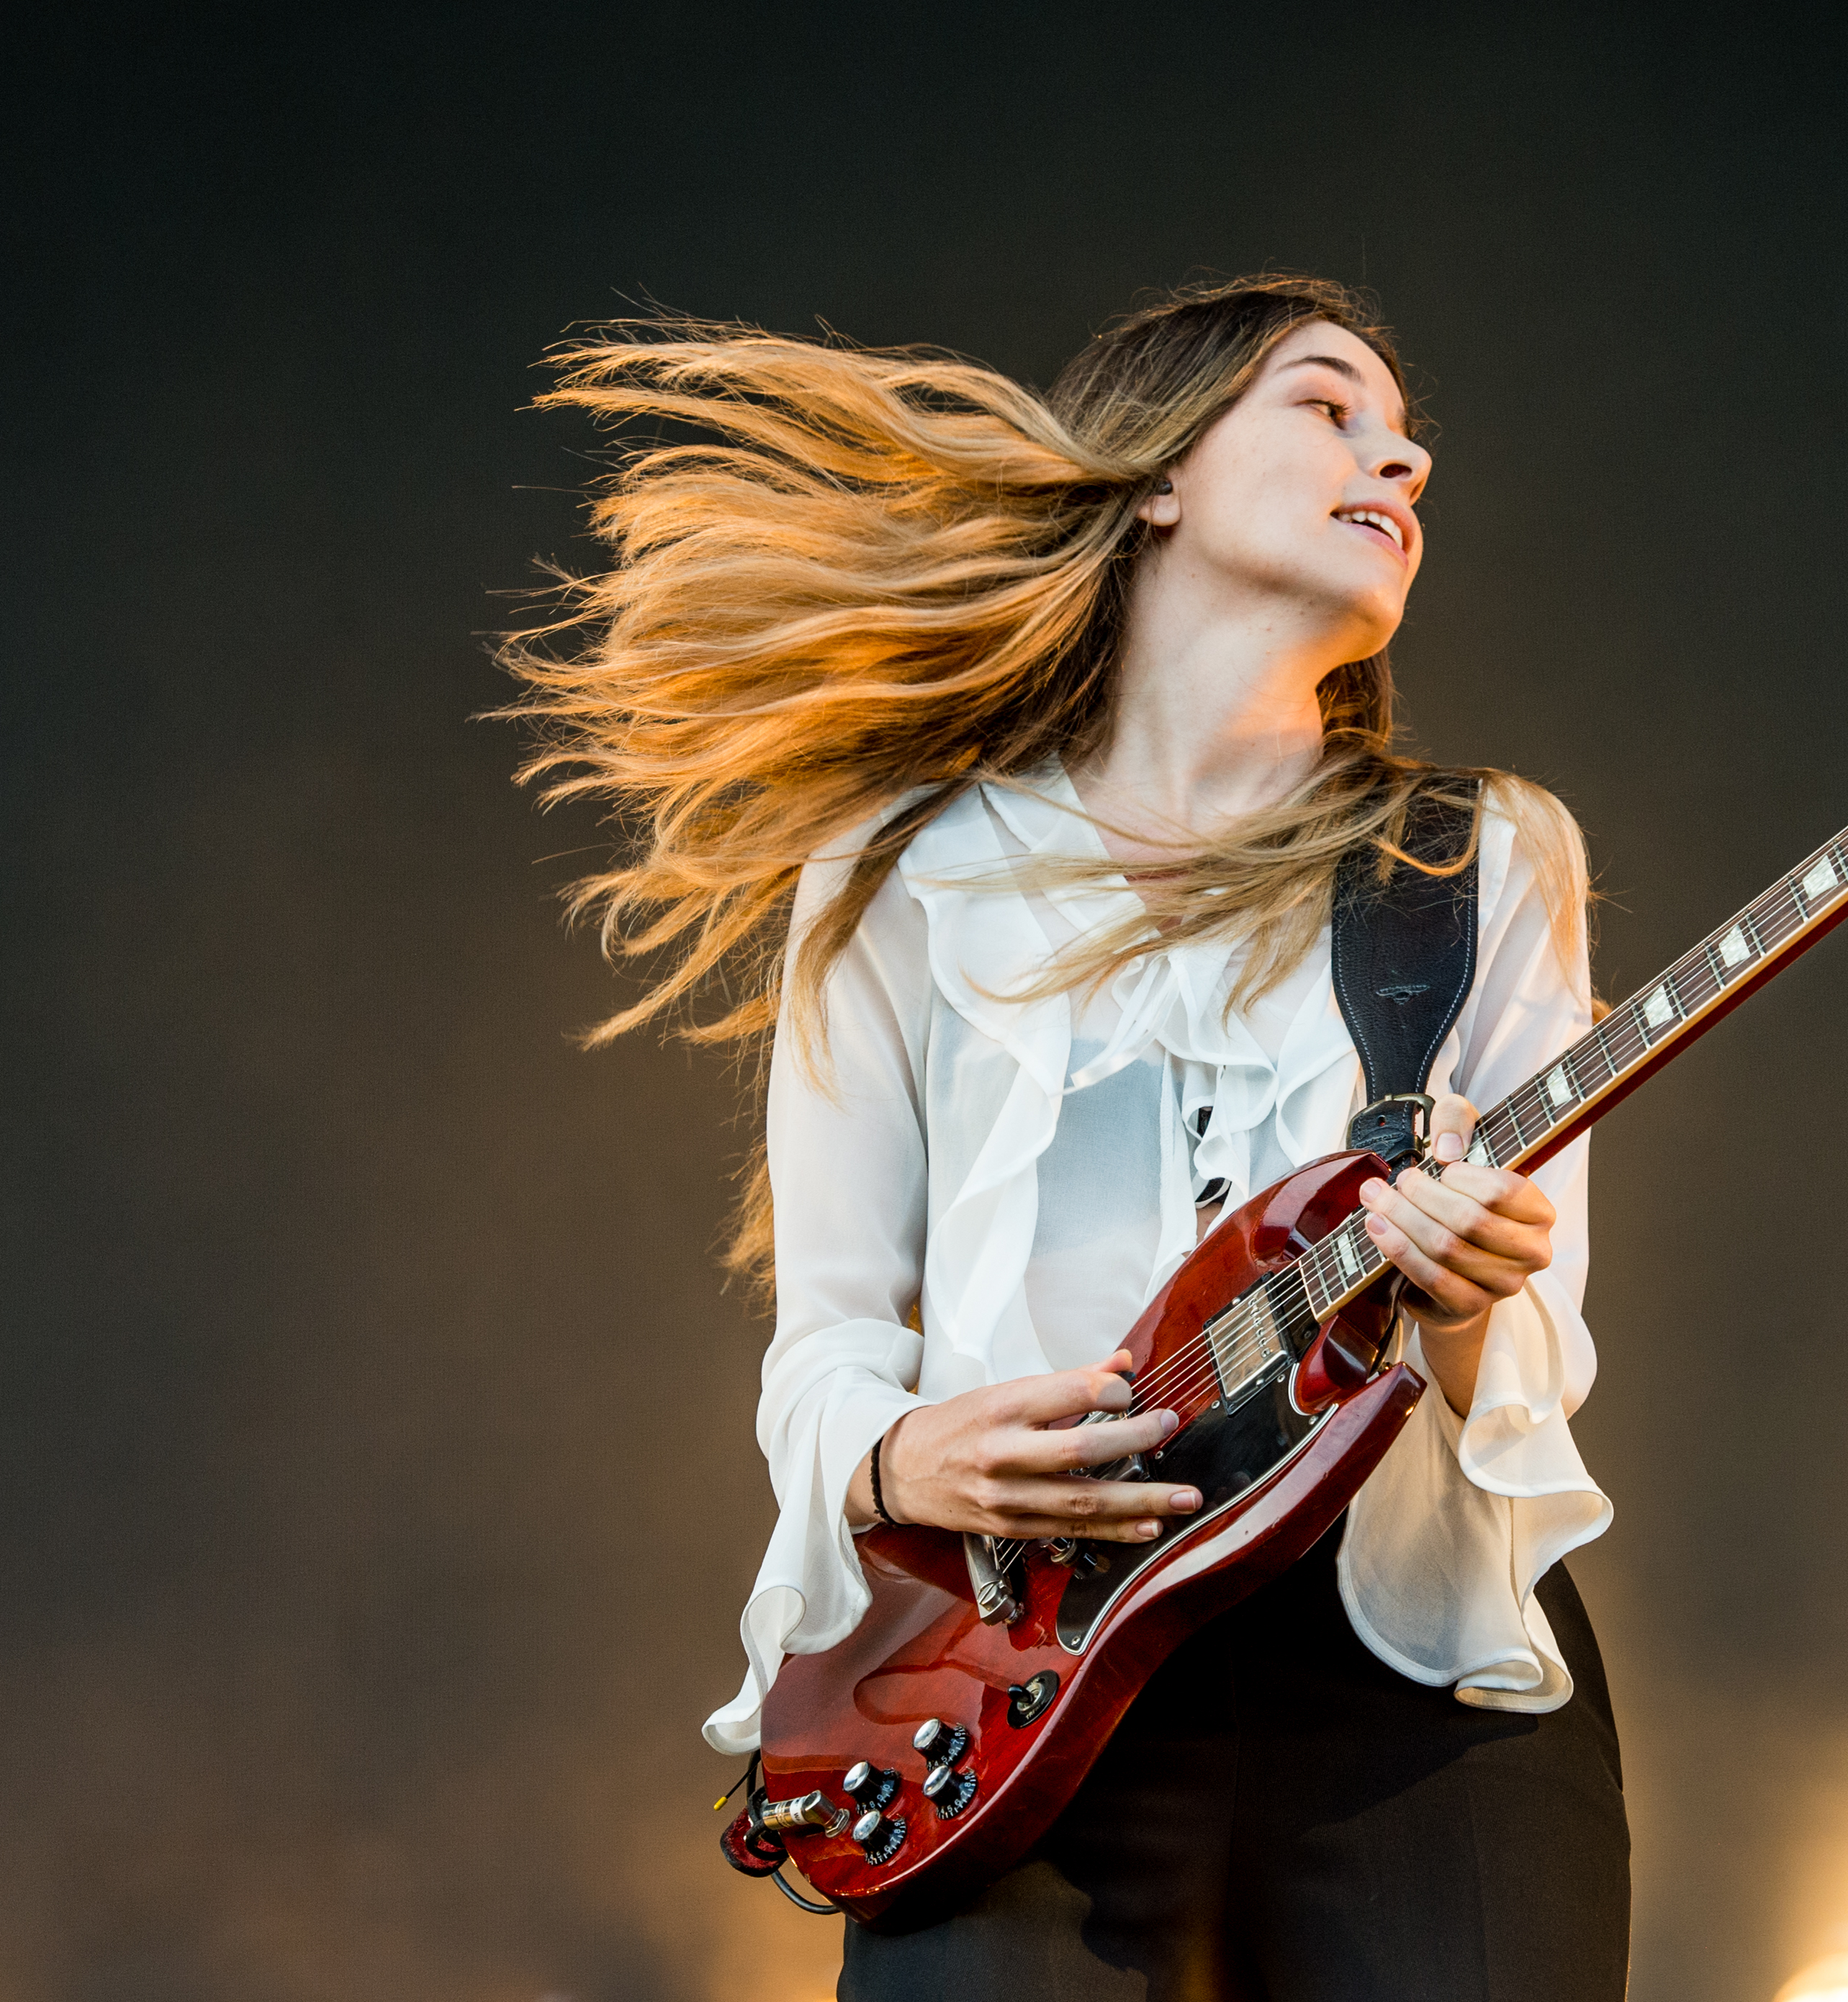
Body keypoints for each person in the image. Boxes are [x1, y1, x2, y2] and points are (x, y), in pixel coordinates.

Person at [508, 276, 1628, 1999]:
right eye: (1326, 406)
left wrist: (1471, 1295)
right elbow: (824, 1341)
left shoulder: (1470, 859)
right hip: (1015, 1672)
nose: (1397, 454)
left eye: (1407, 441)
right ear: (1157, 473)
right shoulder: (895, 869)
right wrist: (898, 1466)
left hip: (1410, 1671)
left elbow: (1529, 1368)